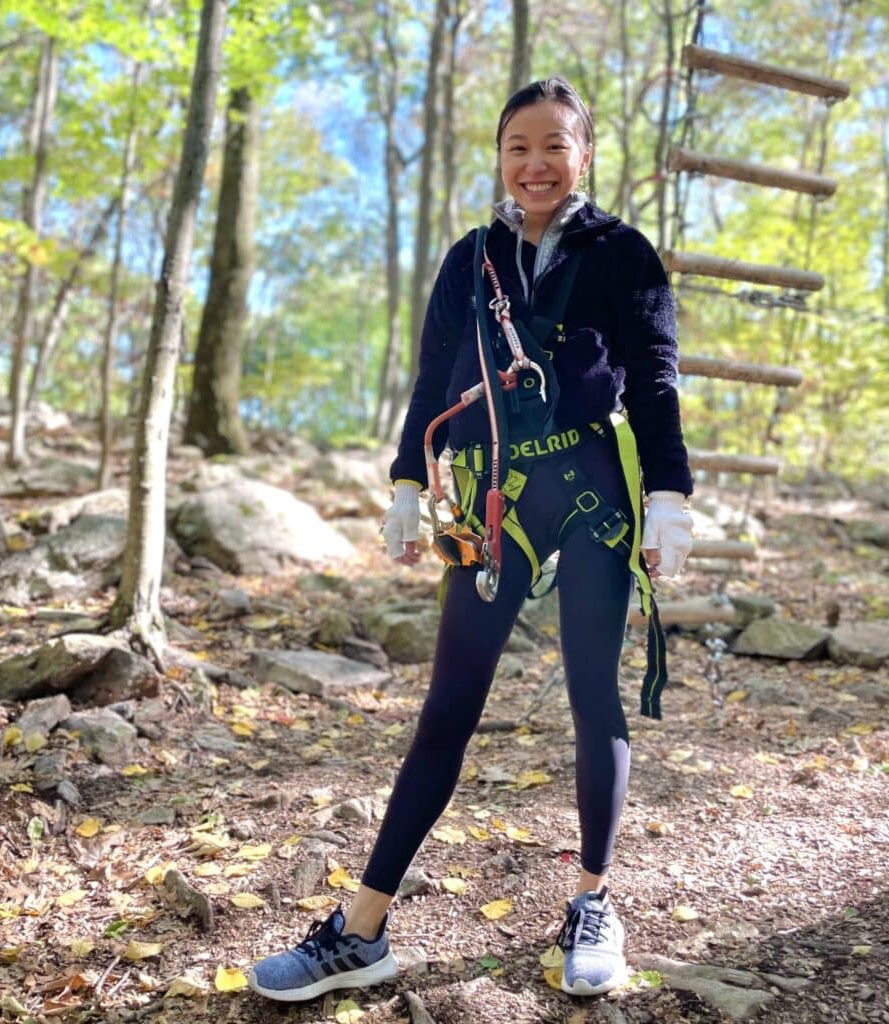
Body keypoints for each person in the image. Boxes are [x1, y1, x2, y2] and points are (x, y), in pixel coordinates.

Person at [250, 76, 693, 1003]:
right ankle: (361, 931)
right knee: (447, 709)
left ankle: (592, 902)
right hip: (495, 503)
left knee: (591, 697)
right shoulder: (472, 257)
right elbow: (434, 375)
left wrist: (671, 497)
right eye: (517, 147)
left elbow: (653, 382)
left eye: (553, 146)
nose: (535, 164)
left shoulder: (625, 255)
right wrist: (409, 477)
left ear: (585, 155)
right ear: (500, 157)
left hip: (593, 495)